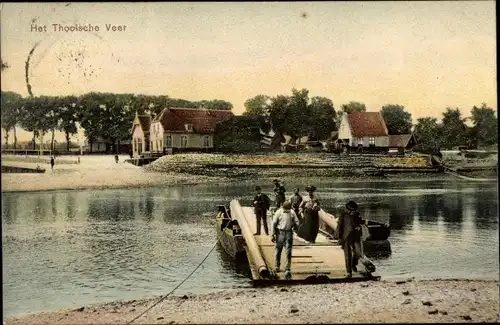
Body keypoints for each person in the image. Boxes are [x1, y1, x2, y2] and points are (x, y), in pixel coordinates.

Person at [271, 201, 300, 279]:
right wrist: (272, 234)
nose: (287, 211)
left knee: (288, 251)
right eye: (286, 210)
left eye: (288, 210)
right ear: (283, 208)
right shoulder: (278, 212)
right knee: (278, 250)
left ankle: (287, 268)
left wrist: (296, 227)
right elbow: (274, 223)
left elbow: (297, 221)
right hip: (280, 233)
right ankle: (277, 266)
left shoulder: (292, 212)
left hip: (289, 233)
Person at [337, 200, 364, 278]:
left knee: (358, 253)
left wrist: (359, 227)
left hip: (356, 236)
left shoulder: (357, 215)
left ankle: (354, 264)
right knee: (347, 255)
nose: (353, 212)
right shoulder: (343, 215)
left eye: (354, 210)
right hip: (346, 237)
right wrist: (339, 237)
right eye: (351, 210)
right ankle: (349, 272)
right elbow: (339, 227)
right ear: (348, 210)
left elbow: (360, 223)